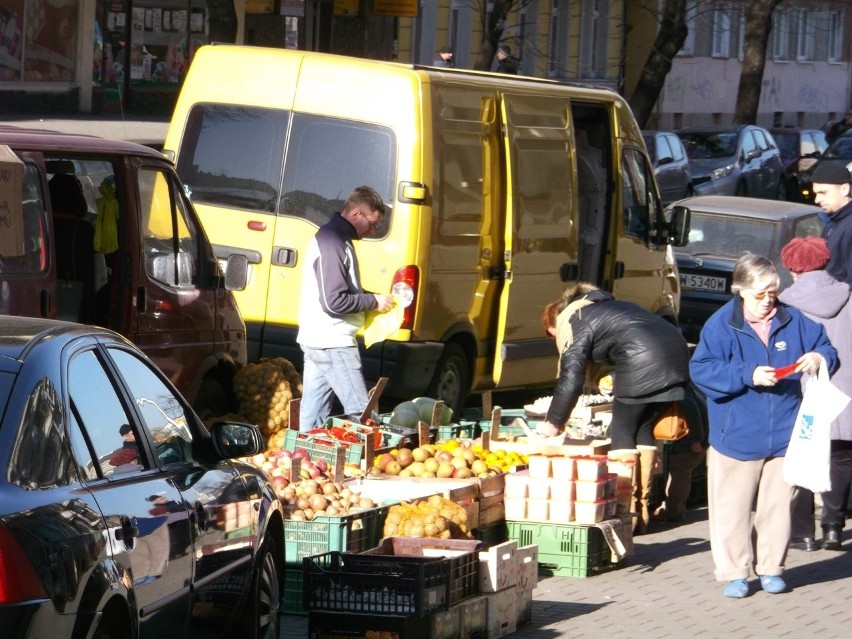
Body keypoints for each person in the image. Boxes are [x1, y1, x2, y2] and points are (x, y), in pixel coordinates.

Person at [690, 253, 837, 598]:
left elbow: (826, 348)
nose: (768, 300)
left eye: (773, 292)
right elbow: (702, 369)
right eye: (760, 294)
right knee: (732, 509)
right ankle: (736, 572)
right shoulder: (719, 325)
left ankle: (772, 568)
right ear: (740, 290)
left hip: (785, 434)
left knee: (778, 507)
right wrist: (747, 374)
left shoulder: (795, 320)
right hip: (736, 434)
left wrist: (819, 358)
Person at [539, 282, 691, 534]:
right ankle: (640, 515)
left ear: (555, 321)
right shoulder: (603, 307)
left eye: (553, 335)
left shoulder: (572, 318)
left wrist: (554, 422)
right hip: (675, 353)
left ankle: (625, 514)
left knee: (621, 432)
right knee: (642, 430)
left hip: (643, 361)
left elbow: (571, 377)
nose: (556, 341)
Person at [297, 186, 394, 432]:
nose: (372, 231)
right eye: (372, 224)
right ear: (356, 215)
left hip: (318, 338)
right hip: (333, 340)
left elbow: (340, 293)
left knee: (313, 415)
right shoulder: (332, 241)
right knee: (363, 414)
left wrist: (373, 297)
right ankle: (369, 465)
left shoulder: (336, 239)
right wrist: (373, 302)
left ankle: (301, 460)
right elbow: (334, 301)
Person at [779, 236, 852, 552]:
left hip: (802, 391)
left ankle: (802, 533)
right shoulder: (848, 297)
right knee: (840, 457)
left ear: (793, 268)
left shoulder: (785, 304)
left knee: (803, 456)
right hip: (845, 391)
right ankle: (834, 528)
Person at [652, 383, 709, 523]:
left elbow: (691, 409)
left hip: (689, 438)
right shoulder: (693, 385)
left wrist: (696, 439)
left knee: (680, 471)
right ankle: (672, 508)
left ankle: (673, 510)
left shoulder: (681, 389)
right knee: (681, 471)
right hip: (701, 435)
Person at [811, 160, 852, 286]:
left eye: (823, 192)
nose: (817, 200)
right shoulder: (834, 221)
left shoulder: (849, 227)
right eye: (816, 193)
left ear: (844, 189)